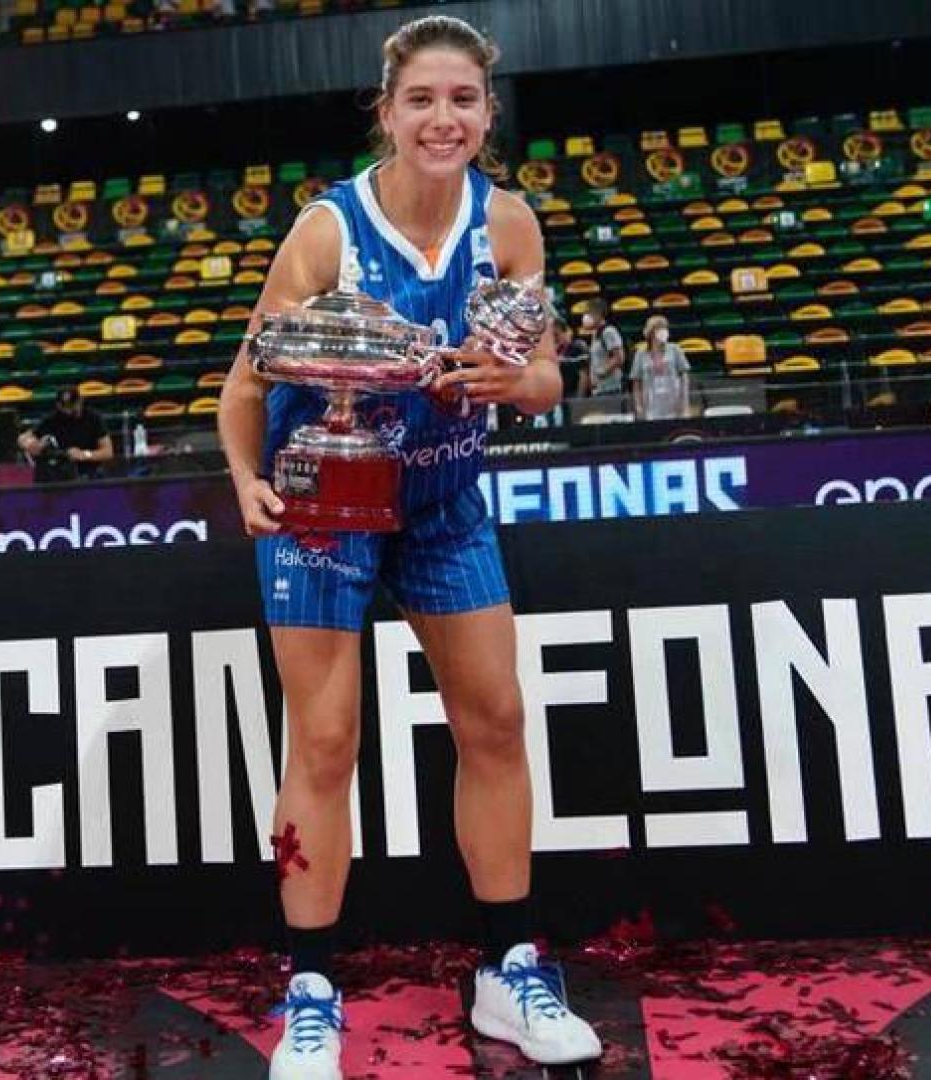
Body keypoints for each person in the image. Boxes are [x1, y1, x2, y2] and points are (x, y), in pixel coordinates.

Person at [215, 16, 602, 1078]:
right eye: (422, 99)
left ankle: (508, 970)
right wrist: (248, 480)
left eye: (464, 100)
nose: (445, 118)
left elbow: (548, 377)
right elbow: (247, 384)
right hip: (323, 512)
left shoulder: (510, 224)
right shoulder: (325, 234)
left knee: (497, 718)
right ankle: (309, 990)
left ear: (487, 112)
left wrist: (508, 381)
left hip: (442, 504)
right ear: (385, 112)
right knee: (326, 742)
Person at [18, 386, 113, 482]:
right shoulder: (52, 420)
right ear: (58, 405)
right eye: (65, 406)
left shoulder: (94, 418)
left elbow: (108, 452)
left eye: (72, 405)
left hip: (90, 474)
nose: (69, 410)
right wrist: (30, 443)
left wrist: (85, 454)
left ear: (80, 401)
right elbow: (24, 437)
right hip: (61, 475)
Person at [630, 314, 691, 420]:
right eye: (659, 328)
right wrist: (638, 405)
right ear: (651, 333)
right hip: (651, 404)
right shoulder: (640, 354)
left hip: (674, 401)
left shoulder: (675, 349)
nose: (664, 331)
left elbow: (684, 377)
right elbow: (636, 382)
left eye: (665, 328)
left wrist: (684, 403)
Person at [581, 298, 625, 398]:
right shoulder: (595, 334)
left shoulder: (608, 331)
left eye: (589, 312)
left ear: (599, 314)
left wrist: (601, 372)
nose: (585, 316)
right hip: (599, 390)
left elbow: (619, 357)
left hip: (611, 389)